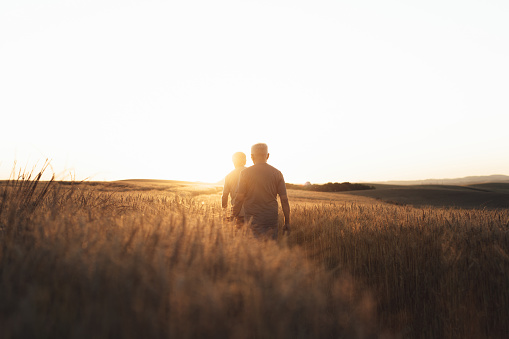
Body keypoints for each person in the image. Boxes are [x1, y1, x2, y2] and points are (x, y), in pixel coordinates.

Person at [232, 143, 290, 239]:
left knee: (252, 248)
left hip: (252, 220)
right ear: (267, 156)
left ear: (251, 156)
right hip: (271, 219)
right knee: (270, 248)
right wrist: (287, 222)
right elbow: (284, 200)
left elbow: (239, 198)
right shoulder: (277, 173)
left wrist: (233, 217)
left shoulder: (245, 173)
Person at [222, 152, 247, 223]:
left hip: (237, 213)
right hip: (253, 213)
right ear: (245, 161)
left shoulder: (228, 176)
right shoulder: (252, 173)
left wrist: (224, 213)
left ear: (233, 161)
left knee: (239, 233)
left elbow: (224, 196)